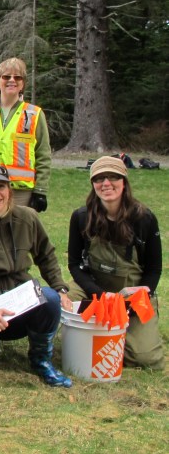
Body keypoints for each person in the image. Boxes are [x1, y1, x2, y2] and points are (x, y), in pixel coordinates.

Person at [0, 165, 73, 387]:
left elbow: (46, 255)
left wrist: (60, 288)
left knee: (50, 299)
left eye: (0, 186)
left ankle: (40, 359)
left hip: (20, 300)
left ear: (9, 192)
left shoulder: (27, 218)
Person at [67, 156, 164, 369]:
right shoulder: (81, 217)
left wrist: (135, 300)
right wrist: (101, 295)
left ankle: (121, 336)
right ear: (93, 184)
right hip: (93, 289)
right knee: (64, 311)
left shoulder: (144, 218)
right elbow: (74, 265)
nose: (106, 184)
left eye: (113, 177)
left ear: (124, 181)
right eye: (99, 179)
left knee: (145, 358)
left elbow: (154, 269)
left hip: (133, 295)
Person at [0, 57, 52, 211]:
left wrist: (40, 191)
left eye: (17, 77)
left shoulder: (34, 114)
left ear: (22, 84)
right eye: (6, 77)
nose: (12, 80)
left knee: (20, 233)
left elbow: (43, 155)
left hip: (20, 192)